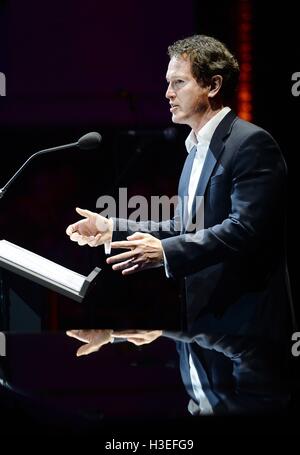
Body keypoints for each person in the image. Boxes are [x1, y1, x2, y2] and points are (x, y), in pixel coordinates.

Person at [66, 35, 293, 415]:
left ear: (213, 84)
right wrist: (113, 229)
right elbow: (185, 225)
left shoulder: (251, 143)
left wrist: (165, 252)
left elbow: (246, 229)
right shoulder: (193, 151)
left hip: (249, 337)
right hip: (206, 331)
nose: (167, 93)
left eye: (179, 82)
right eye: (167, 83)